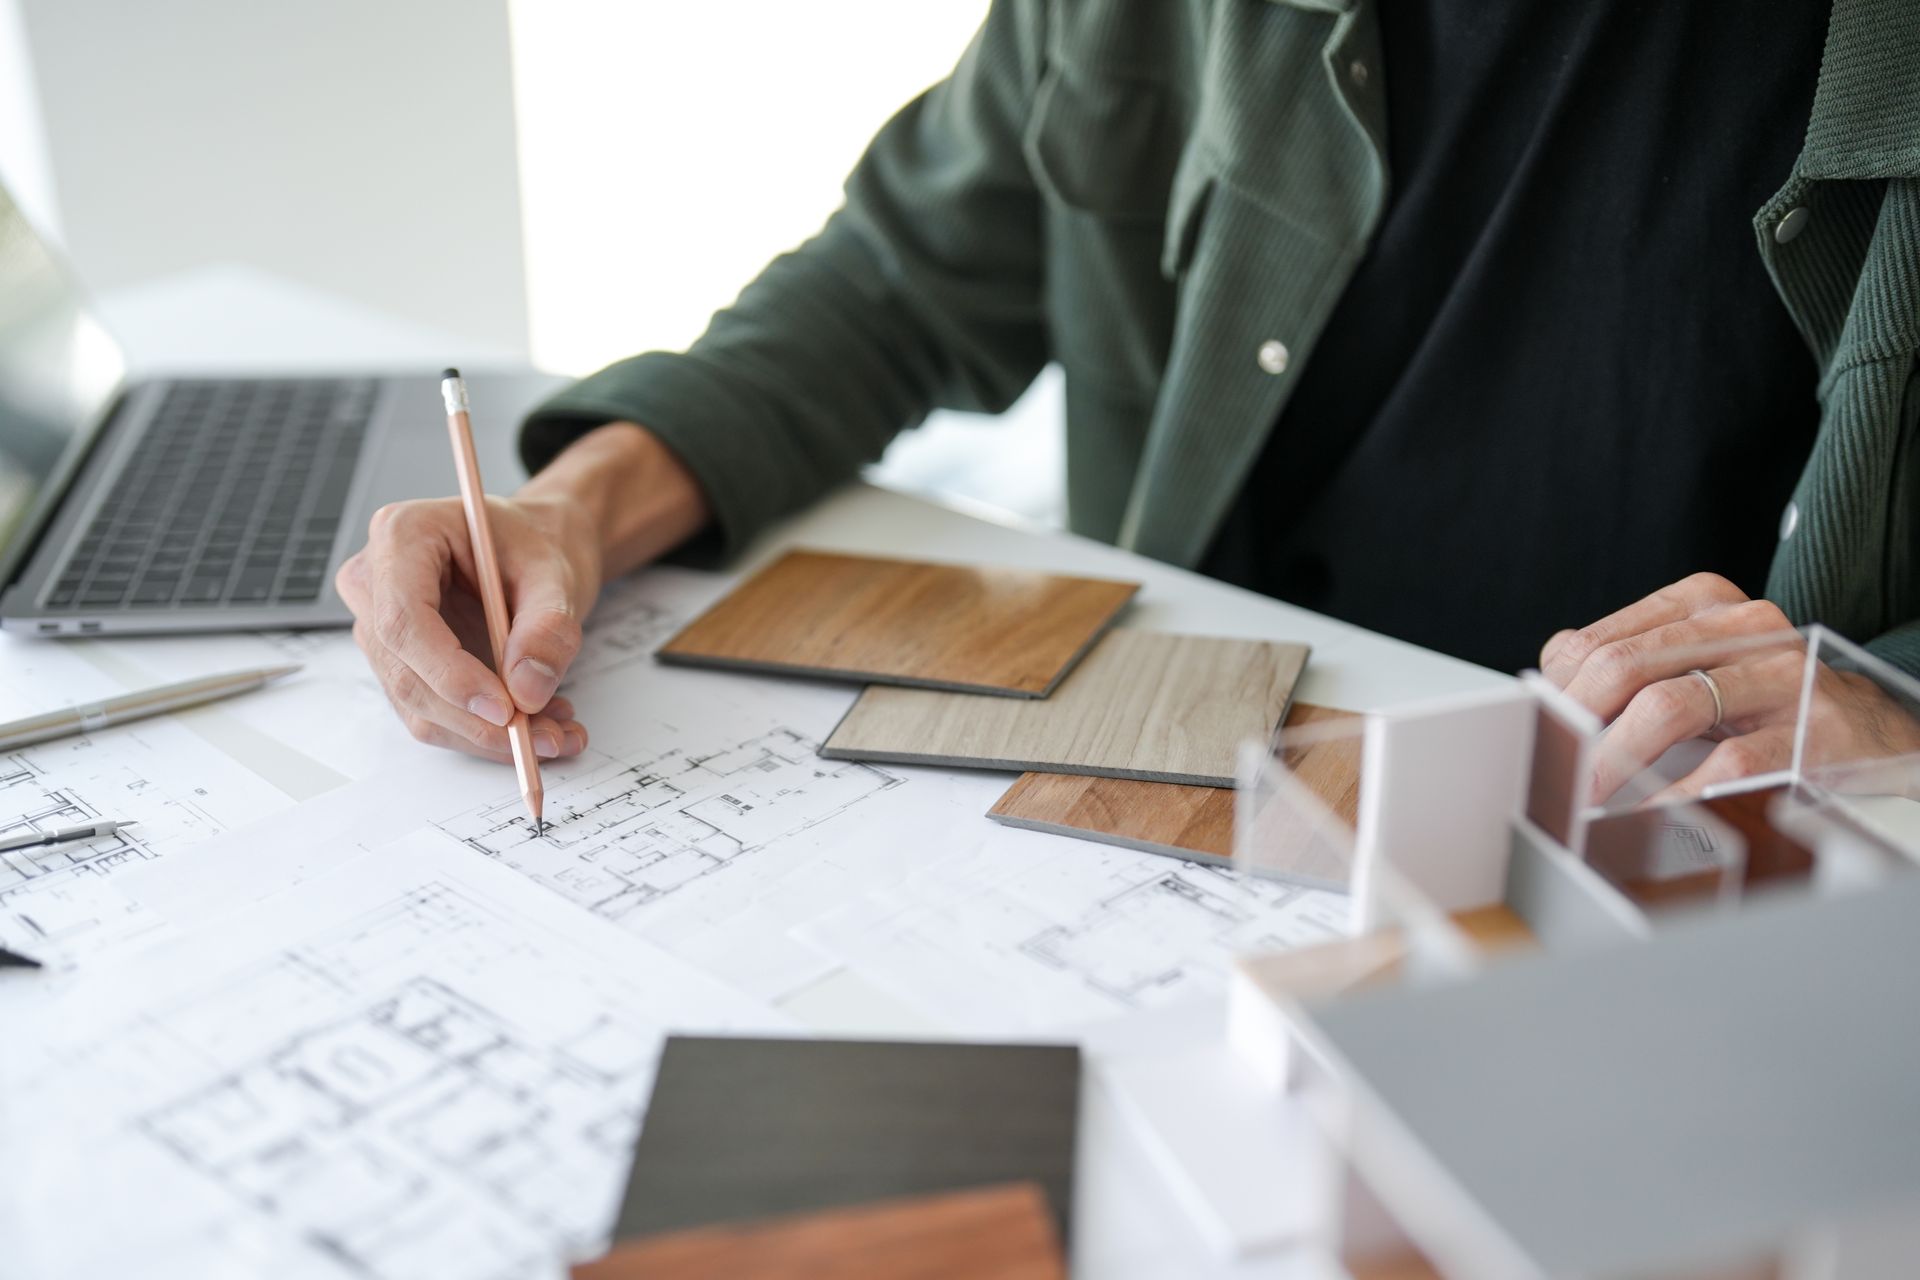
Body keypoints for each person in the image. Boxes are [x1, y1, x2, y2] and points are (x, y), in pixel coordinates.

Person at [336, 0, 1920, 798]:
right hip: (1181, 785)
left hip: (1674, 856)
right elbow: (899, 278)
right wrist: (567, 507)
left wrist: (1892, 702)